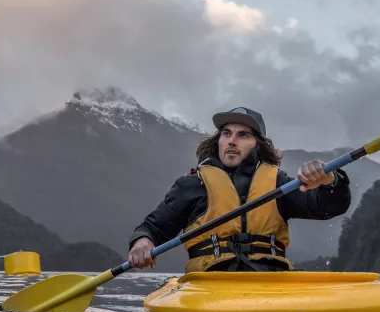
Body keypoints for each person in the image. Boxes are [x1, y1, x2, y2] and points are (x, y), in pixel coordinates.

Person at [128, 107, 352, 272]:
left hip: (271, 279)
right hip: (210, 281)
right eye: (226, 133)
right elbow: (153, 228)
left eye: (243, 135)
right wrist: (142, 241)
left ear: (258, 144)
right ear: (218, 140)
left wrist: (330, 181)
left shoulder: (278, 183)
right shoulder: (192, 184)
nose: (231, 141)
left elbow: (328, 206)